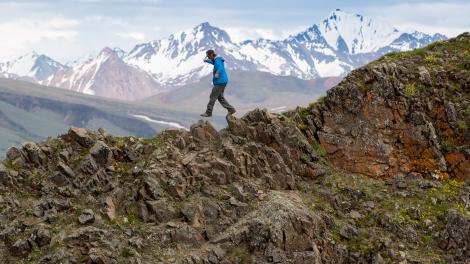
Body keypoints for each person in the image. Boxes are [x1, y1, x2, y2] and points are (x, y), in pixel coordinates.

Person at [200, 50, 236, 117]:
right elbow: (213, 62)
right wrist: (207, 61)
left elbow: (220, 67)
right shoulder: (216, 60)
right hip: (222, 82)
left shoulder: (218, 60)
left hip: (220, 82)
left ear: (211, 55)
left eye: (208, 56)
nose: (207, 57)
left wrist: (217, 72)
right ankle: (231, 109)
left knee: (212, 96)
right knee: (220, 98)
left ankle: (208, 112)